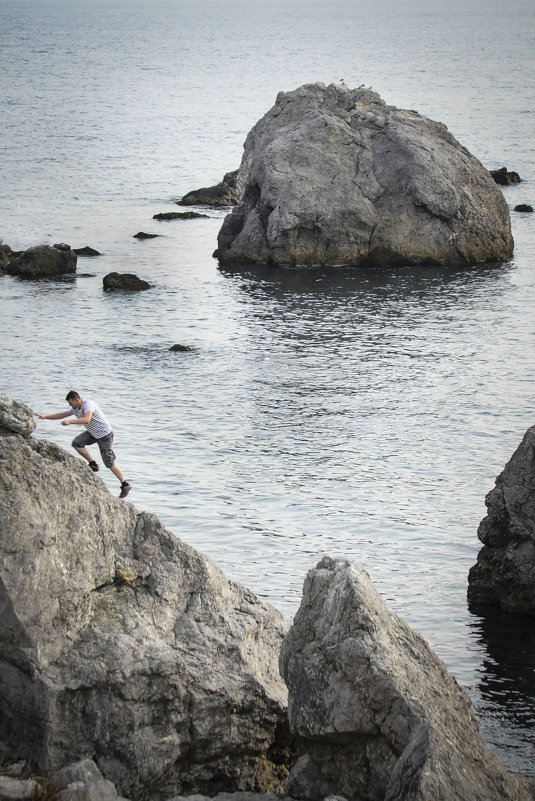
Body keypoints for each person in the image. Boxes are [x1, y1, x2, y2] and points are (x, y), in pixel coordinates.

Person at [35, 390, 132, 498]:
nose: (70, 405)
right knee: (77, 443)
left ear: (77, 400)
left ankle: (125, 484)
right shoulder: (75, 408)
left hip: (105, 435)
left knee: (109, 462)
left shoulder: (89, 405)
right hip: (93, 433)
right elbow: (61, 414)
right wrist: (45, 417)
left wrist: (70, 422)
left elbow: (87, 419)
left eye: (71, 403)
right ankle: (93, 464)